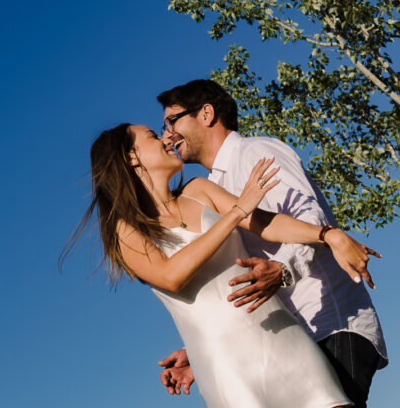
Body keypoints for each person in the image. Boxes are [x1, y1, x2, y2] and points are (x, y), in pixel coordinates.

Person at [60, 122, 380, 408]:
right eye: (152, 136)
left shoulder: (199, 190)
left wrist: (328, 235)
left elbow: (266, 224)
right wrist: (236, 212)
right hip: (227, 367)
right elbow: (171, 276)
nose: (166, 138)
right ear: (131, 157)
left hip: (286, 340)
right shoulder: (125, 230)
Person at [156, 79, 388, 407]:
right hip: (291, 342)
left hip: (331, 325)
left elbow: (310, 221)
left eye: (172, 121)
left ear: (206, 114)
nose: (167, 134)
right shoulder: (212, 187)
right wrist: (197, 351)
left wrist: (281, 270)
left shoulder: (256, 153)